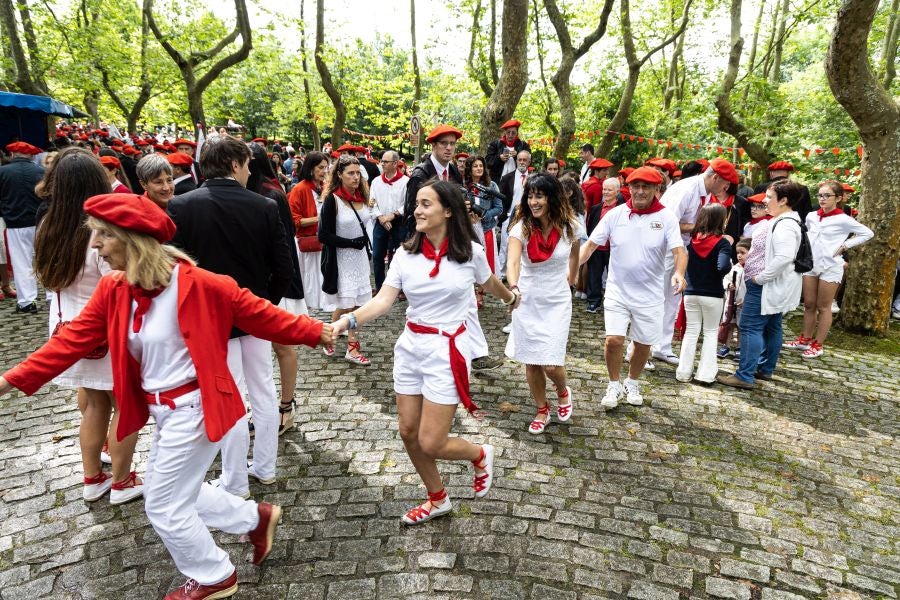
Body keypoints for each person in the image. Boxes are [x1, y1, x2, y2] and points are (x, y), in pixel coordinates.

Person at [0, 192, 333, 600]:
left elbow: (260, 314)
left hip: (197, 408)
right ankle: (254, 518)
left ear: (133, 238)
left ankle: (214, 576)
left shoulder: (201, 284)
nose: (95, 245)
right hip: (161, 411)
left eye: (104, 235)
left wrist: (320, 331)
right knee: (174, 487)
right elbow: (68, 343)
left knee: (163, 504)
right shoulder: (114, 289)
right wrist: (8, 382)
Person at [330, 181, 518, 525]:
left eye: (426, 204)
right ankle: (437, 499)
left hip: (448, 351)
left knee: (431, 441)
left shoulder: (470, 254)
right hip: (411, 347)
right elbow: (384, 300)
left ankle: (479, 454)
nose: (417, 210)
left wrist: (510, 298)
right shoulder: (405, 254)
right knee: (407, 431)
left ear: (448, 210)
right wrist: (349, 321)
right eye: (416, 203)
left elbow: (489, 282)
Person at [167, 135, 294, 499]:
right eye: (248, 164)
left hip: (210, 318)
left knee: (232, 394)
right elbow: (283, 267)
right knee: (262, 389)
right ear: (236, 164)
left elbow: (174, 270)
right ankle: (264, 468)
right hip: (251, 313)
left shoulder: (181, 206)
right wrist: (261, 305)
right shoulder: (264, 205)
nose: (250, 170)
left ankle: (236, 480)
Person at [32, 147, 143, 504]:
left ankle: (93, 477)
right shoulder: (99, 230)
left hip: (66, 325)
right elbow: (121, 281)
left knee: (95, 405)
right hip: (105, 326)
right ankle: (122, 481)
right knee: (125, 404)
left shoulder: (47, 225)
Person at [579, 167, 686, 409]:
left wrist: (679, 272)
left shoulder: (666, 217)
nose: (639, 191)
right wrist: (569, 269)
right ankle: (613, 383)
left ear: (656, 190)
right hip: (617, 291)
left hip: (650, 295)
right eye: (635, 186)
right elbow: (590, 246)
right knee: (614, 340)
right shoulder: (615, 215)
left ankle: (632, 381)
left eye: (645, 187)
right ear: (629, 188)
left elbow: (680, 250)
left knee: (642, 344)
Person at [504, 174, 579, 433]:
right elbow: (512, 262)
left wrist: (573, 278)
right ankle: (541, 408)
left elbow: (575, 254)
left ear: (552, 197)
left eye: (540, 195)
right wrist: (513, 287)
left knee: (551, 362)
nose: (534, 201)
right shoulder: (520, 227)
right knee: (532, 361)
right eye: (530, 196)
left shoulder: (570, 226)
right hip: (527, 299)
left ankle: (562, 389)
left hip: (557, 300)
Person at [717, 180, 804, 390]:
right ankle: (764, 368)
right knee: (772, 326)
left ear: (783, 200)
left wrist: (760, 278)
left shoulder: (785, 225)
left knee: (750, 327)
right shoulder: (782, 220)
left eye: (769, 197)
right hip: (769, 285)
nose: (764, 201)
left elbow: (784, 257)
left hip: (765, 285)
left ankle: (745, 375)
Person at [652, 158, 736, 366]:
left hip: (681, 251)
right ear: (715, 177)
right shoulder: (687, 189)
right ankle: (638, 348)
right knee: (655, 299)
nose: (725, 189)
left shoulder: (705, 193)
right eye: (725, 184)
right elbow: (668, 224)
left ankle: (661, 347)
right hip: (666, 250)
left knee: (672, 299)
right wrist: (700, 229)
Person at [247, 142, 306, 435]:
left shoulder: (272, 194)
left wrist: (283, 286)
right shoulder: (247, 194)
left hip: (275, 284)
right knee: (257, 353)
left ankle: (286, 404)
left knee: (283, 346)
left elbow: (286, 244)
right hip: (253, 286)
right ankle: (263, 406)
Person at [785, 180, 873, 358]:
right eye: (820, 195)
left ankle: (818, 345)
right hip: (811, 264)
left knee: (823, 306)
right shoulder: (811, 216)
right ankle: (805, 339)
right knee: (809, 304)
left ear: (838, 198)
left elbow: (868, 233)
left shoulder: (844, 219)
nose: (822, 199)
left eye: (827, 195)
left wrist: (846, 245)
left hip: (831, 266)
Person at [318, 155, 375, 365]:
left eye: (357, 173)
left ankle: (341, 341)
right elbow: (323, 235)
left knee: (356, 304)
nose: (355, 177)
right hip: (341, 260)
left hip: (360, 260)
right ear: (339, 175)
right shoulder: (333, 200)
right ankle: (340, 342)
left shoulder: (362, 196)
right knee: (347, 305)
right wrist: (351, 243)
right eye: (350, 173)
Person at [675, 204, 733, 384]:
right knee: (709, 333)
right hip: (712, 294)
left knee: (691, 332)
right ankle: (705, 375)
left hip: (691, 293)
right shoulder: (722, 242)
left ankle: (683, 372)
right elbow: (722, 266)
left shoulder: (693, 240)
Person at [0, 141, 45, 313]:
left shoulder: (3, 172)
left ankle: (27, 300)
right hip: (39, 221)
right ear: (31, 155)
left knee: (22, 262)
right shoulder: (41, 171)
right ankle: (50, 295)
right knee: (45, 259)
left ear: (12, 154)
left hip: (15, 223)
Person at [288, 151, 328, 310]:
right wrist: (320, 218)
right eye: (321, 168)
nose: (325, 171)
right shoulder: (299, 189)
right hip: (308, 244)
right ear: (311, 168)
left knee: (321, 278)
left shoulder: (324, 187)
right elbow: (295, 220)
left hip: (323, 242)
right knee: (310, 281)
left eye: (326, 167)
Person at [369, 150, 409, 292]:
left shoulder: (405, 182)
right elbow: (371, 203)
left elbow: (407, 203)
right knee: (377, 255)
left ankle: (401, 288)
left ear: (395, 164)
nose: (382, 164)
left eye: (385, 162)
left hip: (399, 222)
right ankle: (379, 286)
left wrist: (393, 215)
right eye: (382, 161)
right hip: (381, 221)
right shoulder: (376, 181)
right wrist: (381, 217)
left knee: (401, 255)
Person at [584, 177, 620, 314]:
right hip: (597, 248)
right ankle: (593, 302)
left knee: (614, 276)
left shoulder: (622, 209)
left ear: (617, 191)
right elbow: (590, 227)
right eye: (604, 189)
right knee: (594, 275)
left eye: (609, 190)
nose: (605, 192)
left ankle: (614, 303)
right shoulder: (595, 208)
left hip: (614, 249)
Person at [464, 155, 504, 275]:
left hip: (486, 228)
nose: (479, 168)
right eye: (475, 166)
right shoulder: (465, 186)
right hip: (467, 229)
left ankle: (482, 291)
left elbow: (499, 208)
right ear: (469, 169)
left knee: (486, 261)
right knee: (470, 260)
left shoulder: (491, 186)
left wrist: (485, 215)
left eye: (481, 166)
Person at [718, 238, 751, 358]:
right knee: (729, 324)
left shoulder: (751, 270)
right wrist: (728, 285)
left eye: (743, 253)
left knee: (741, 326)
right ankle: (725, 346)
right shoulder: (734, 268)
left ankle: (739, 347)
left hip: (742, 303)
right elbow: (726, 279)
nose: (739, 256)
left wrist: (746, 299)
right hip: (731, 302)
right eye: (738, 253)